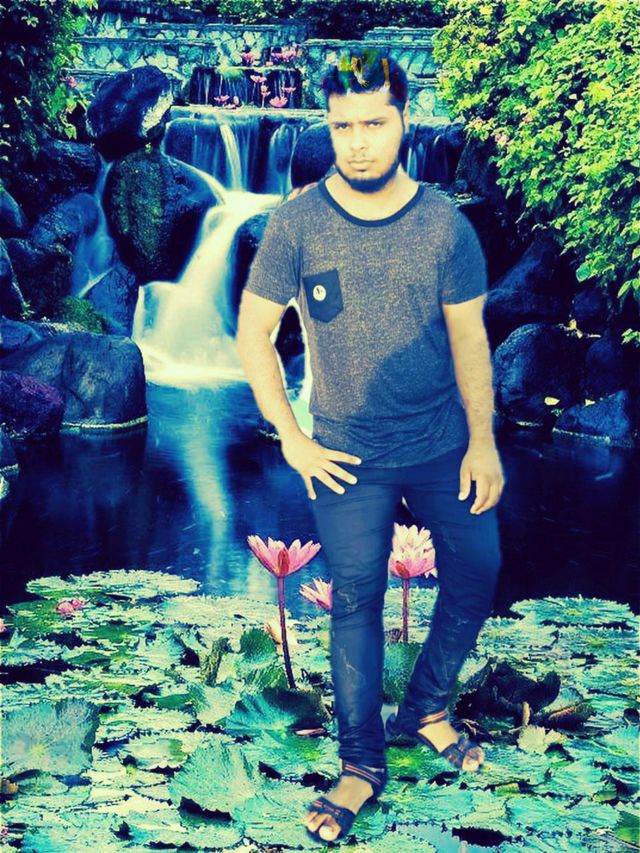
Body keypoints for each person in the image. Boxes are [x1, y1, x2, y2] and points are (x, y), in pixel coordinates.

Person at [235, 52, 506, 845]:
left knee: (479, 567)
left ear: (404, 121)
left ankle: (426, 705)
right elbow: (253, 334)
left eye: (374, 123)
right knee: (355, 597)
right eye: (343, 126)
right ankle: (360, 764)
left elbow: (470, 340)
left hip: (441, 439)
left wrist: (483, 441)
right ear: (329, 127)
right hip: (345, 452)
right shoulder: (297, 224)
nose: (357, 143)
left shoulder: (445, 226)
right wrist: (292, 437)